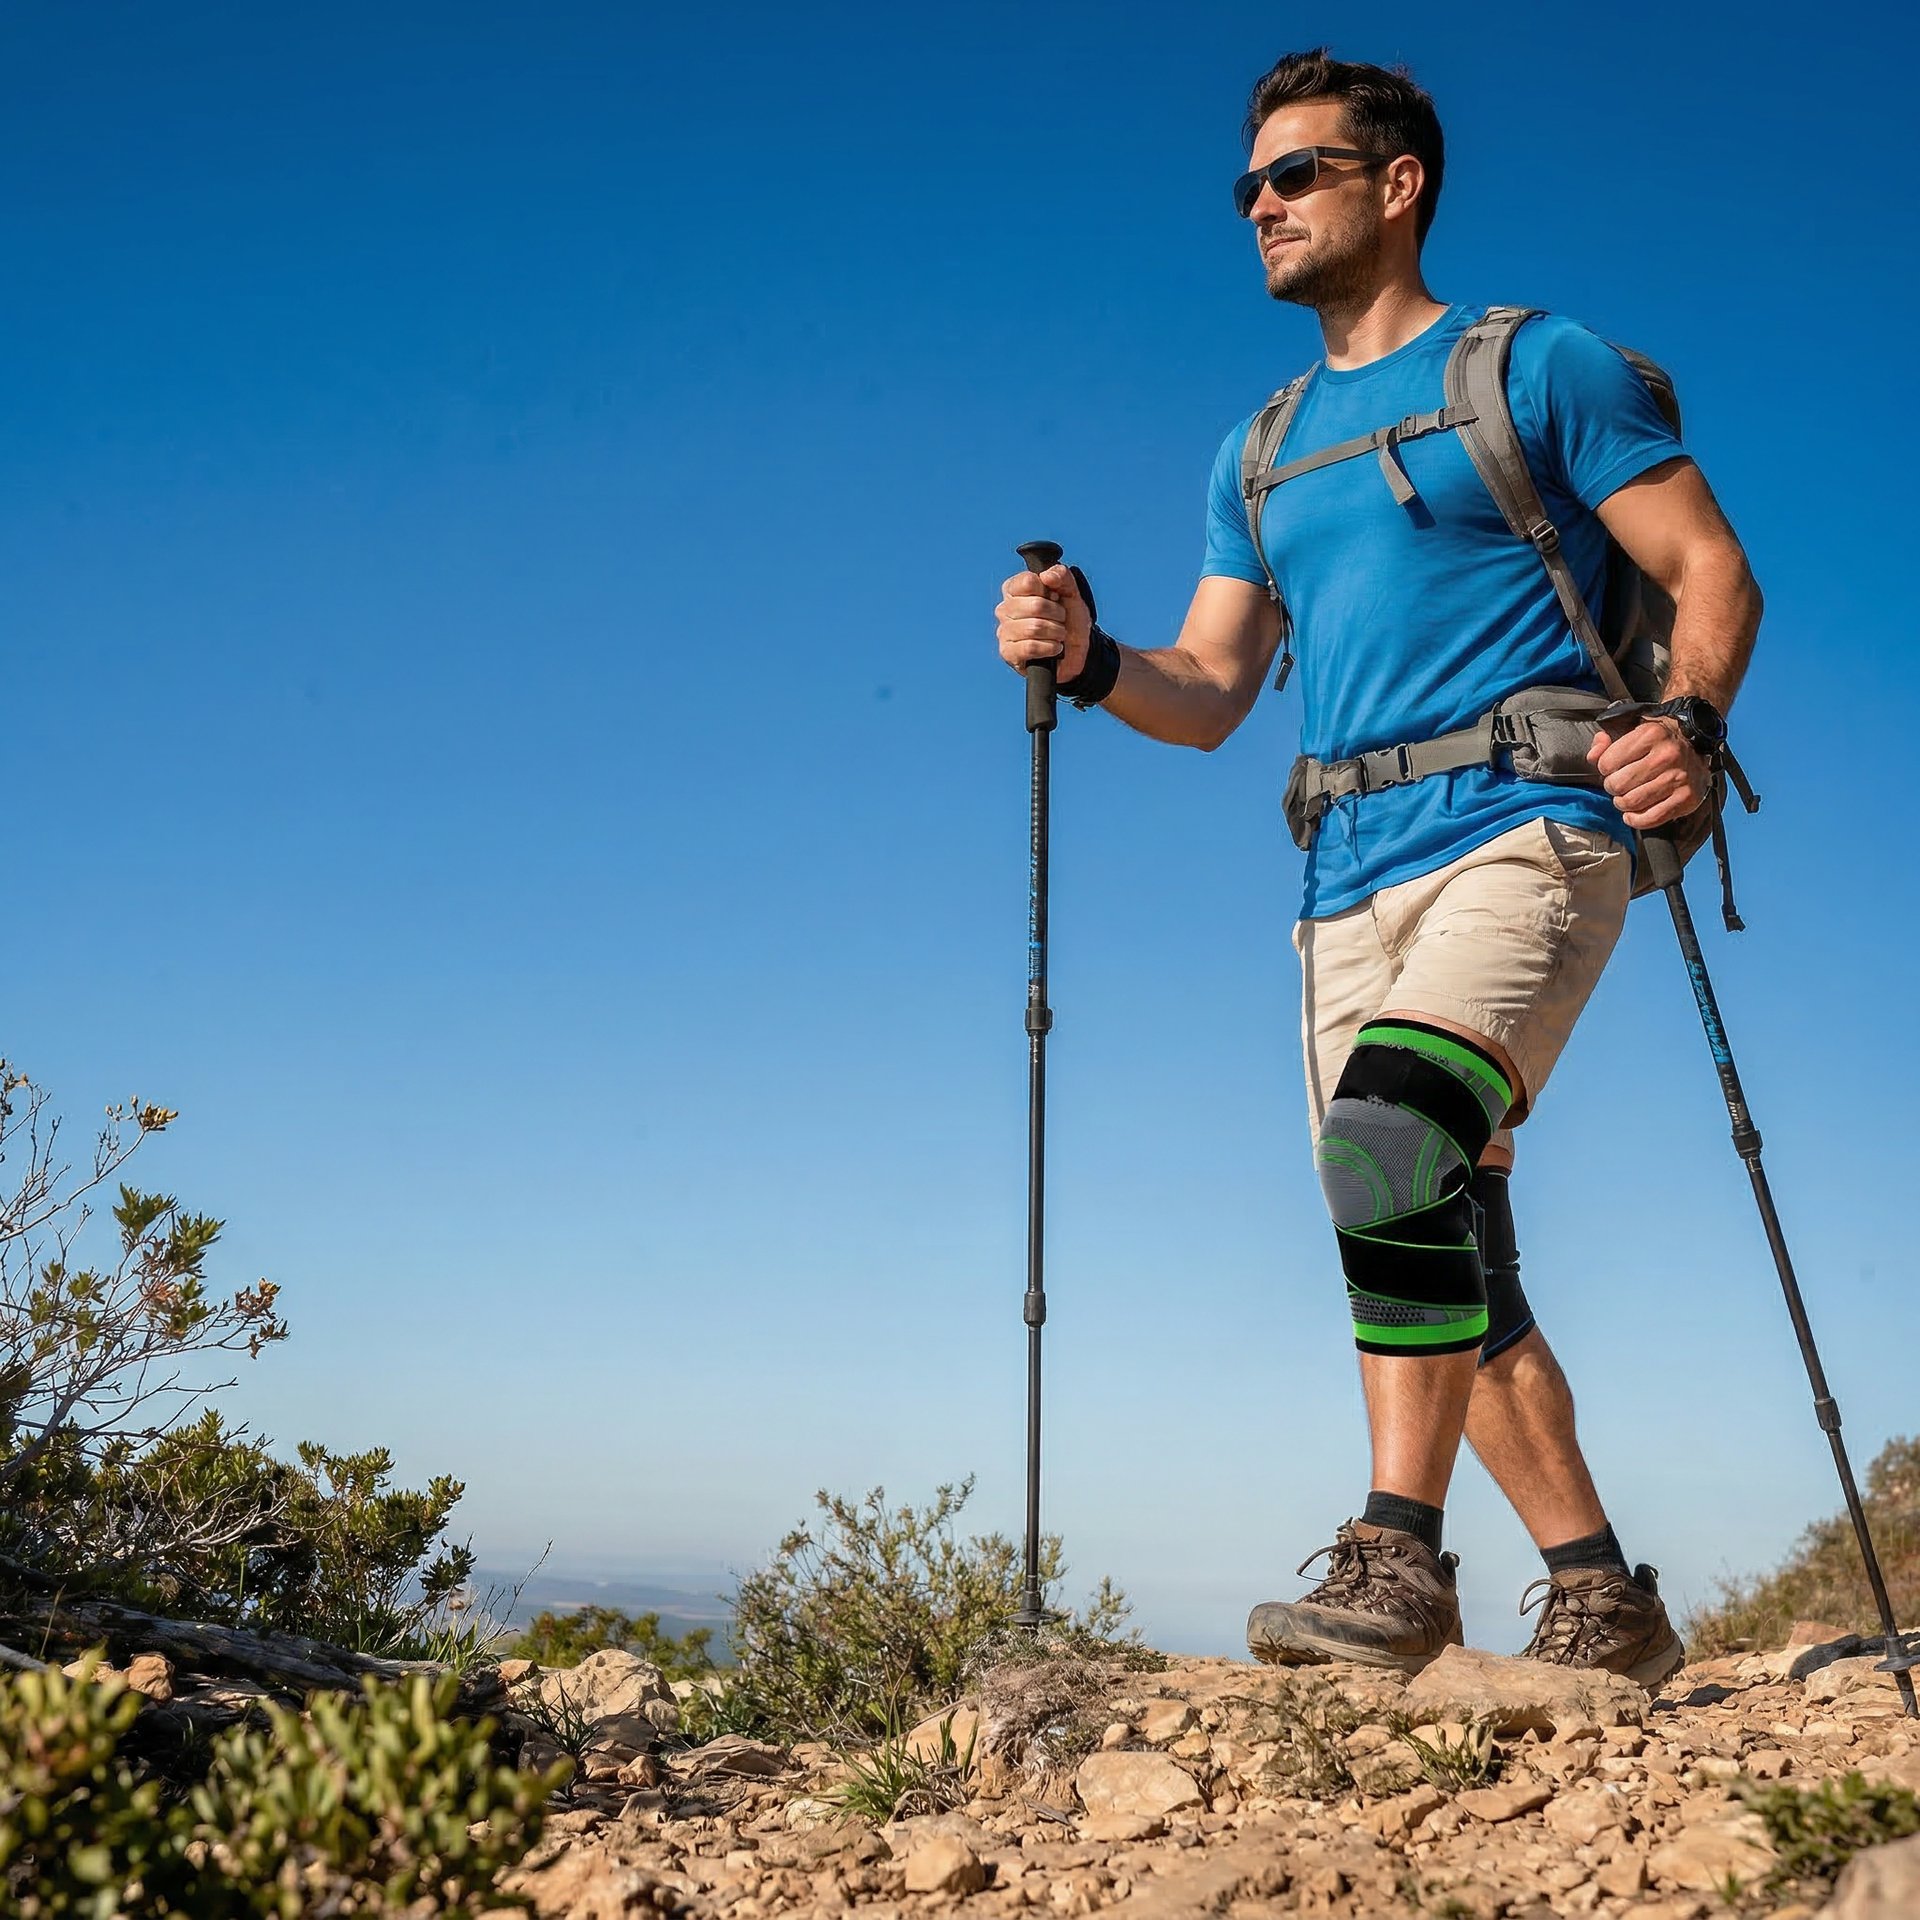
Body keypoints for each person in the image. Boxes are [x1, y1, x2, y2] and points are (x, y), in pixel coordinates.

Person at [992, 48, 1761, 1682]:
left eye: (1297, 175)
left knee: (1384, 1143)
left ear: (1396, 185)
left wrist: (1683, 725)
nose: (1261, 205)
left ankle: (1397, 1560)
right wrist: (1087, 654)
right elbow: (1208, 697)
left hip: (1533, 827)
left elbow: (1707, 566)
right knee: (1433, 1232)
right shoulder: (1260, 449)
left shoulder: (1532, 367)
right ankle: (1605, 1596)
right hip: (1342, 875)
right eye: (1248, 186)